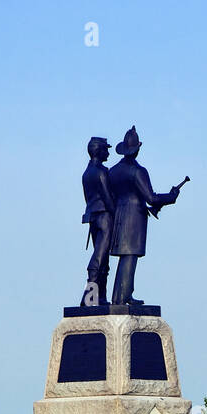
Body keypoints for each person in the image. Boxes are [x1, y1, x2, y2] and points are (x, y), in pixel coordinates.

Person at [107, 126, 179, 306]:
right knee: (130, 256)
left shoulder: (113, 171)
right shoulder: (138, 171)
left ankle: (121, 296)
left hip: (119, 216)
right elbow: (151, 198)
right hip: (134, 218)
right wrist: (171, 197)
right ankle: (122, 298)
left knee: (126, 257)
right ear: (137, 148)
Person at [80, 136, 115, 306]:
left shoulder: (86, 173)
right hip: (104, 216)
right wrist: (117, 216)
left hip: (93, 216)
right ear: (98, 151)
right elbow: (108, 198)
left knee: (103, 259)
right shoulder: (101, 172)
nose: (108, 152)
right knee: (99, 257)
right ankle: (89, 297)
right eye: (105, 149)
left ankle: (99, 297)